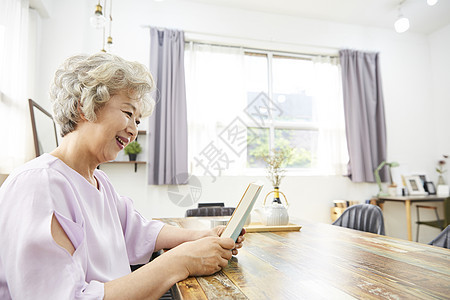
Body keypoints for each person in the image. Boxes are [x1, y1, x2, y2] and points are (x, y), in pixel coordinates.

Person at [0, 52, 245, 299]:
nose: (134, 130)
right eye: (128, 114)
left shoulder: (99, 182)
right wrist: (179, 262)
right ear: (84, 108)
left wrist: (202, 236)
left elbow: (137, 231)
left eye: (137, 121)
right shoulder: (38, 186)